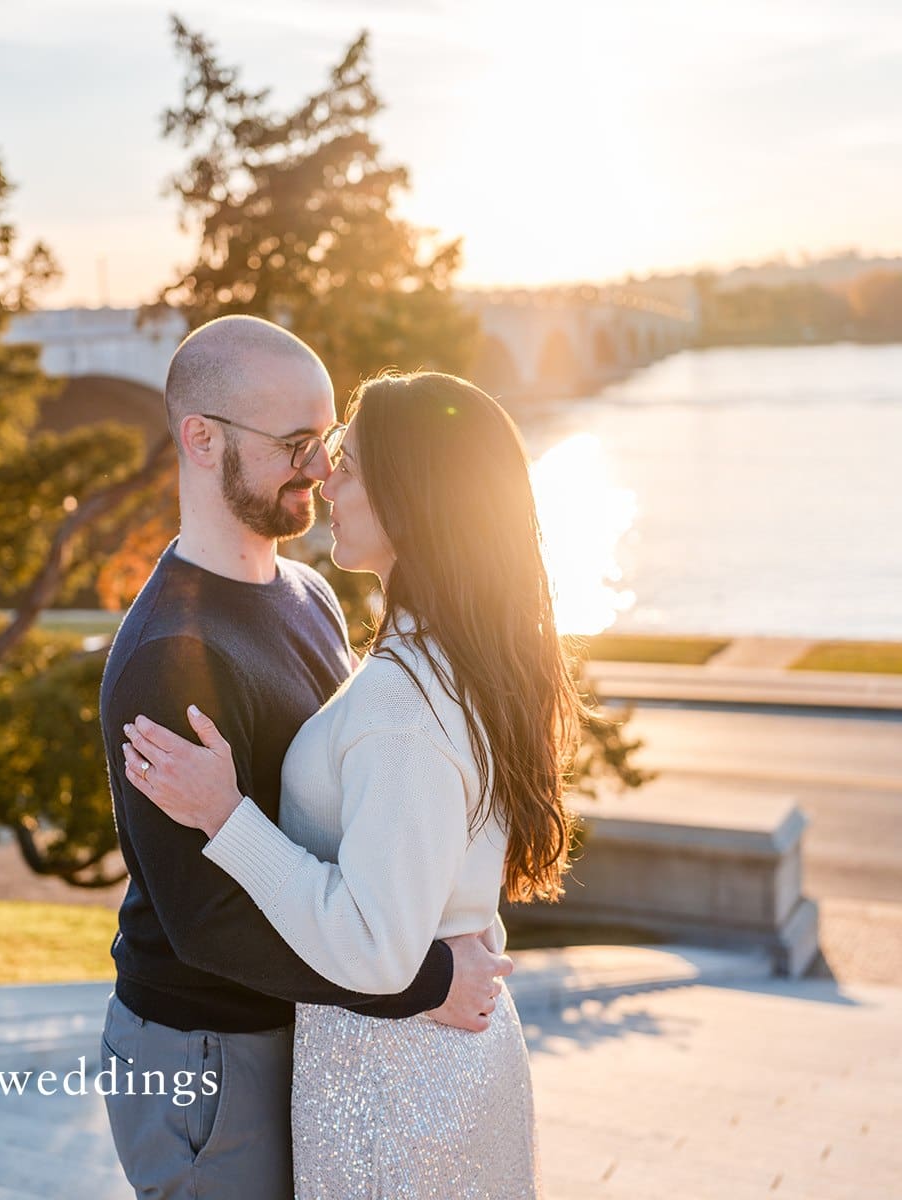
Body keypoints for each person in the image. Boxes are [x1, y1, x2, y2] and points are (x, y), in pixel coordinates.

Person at [125, 369, 589, 1198]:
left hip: (393, 1088)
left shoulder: (400, 704)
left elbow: (376, 945)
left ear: (413, 496)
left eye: (346, 458)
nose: (324, 477)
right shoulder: (466, 659)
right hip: (438, 1068)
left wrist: (228, 817)